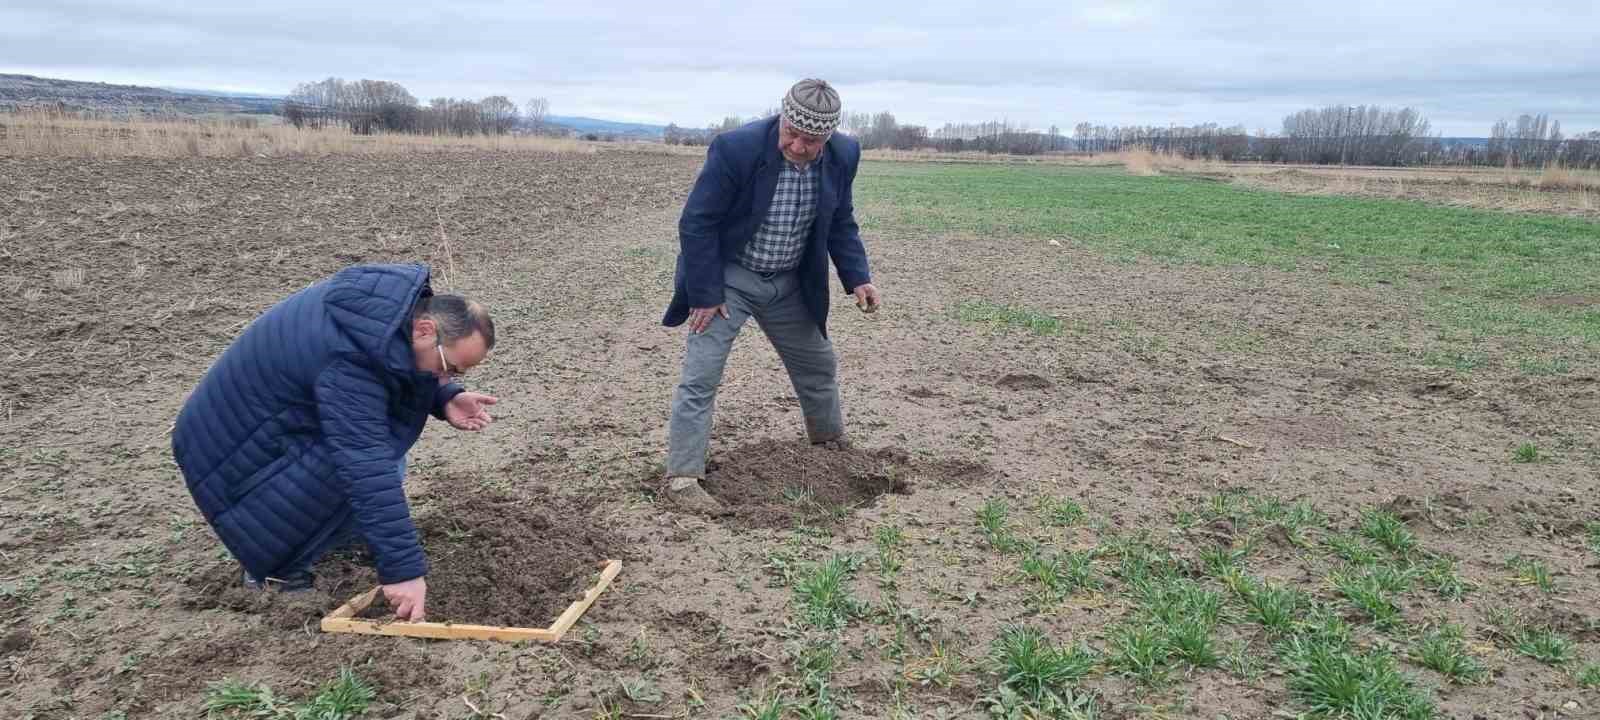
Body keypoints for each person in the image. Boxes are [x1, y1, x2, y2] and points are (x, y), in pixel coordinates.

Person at [172, 263, 498, 621]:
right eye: (448, 367)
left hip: (268, 424)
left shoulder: (384, 313)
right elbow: (365, 463)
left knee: (377, 452)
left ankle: (331, 538)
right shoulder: (348, 357)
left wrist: (445, 396)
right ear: (425, 329)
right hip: (230, 450)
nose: (446, 377)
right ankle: (276, 571)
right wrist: (403, 571)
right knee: (359, 465)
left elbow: (397, 369)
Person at [660, 78, 882, 513]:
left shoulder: (844, 155)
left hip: (788, 282)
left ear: (829, 135)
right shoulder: (736, 149)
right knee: (702, 373)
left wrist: (858, 277)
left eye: (811, 140)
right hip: (729, 280)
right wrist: (705, 293)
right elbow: (697, 223)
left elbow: (841, 221)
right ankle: (683, 478)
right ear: (782, 116)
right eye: (791, 133)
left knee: (818, 363)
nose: (798, 146)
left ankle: (830, 448)